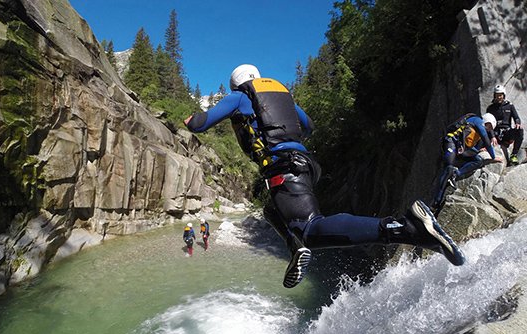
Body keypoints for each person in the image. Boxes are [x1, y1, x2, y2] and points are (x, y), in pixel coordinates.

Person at [184, 64, 465, 288]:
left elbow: (200, 124)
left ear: (237, 83)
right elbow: (308, 126)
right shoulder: (281, 97)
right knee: (272, 210)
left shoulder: (240, 97)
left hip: (283, 166)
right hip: (303, 163)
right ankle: (296, 247)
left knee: (309, 227)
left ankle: (405, 227)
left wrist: (188, 121)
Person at [432, 113, 503, 212]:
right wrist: (494, 157)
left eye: (490, 128)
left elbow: (471, 145)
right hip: (451, 142)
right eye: (488, 126)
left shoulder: (477, 131)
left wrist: (478, 151)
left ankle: (456, 174)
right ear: (485, 121)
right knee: (449, 167)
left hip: (461, 149)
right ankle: (436, 201)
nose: (488, 129)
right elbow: (486, 140)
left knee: (478, 160)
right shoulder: (477, 120)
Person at [486, 84, 523, 165]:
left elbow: (516, 117)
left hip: (507, 132)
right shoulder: (490, 108)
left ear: (504, 95)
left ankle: (514, 155)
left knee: (520, 130)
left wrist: (517, 123)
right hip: (495, 133)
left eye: (501, 95)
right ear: (494, 95)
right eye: (497, 95)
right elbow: (488, 124)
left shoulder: (509, 106)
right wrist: (492, 136)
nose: (499, 97)